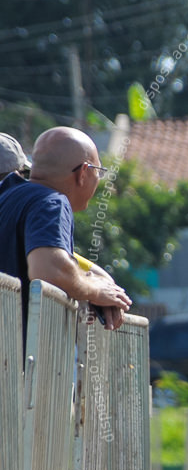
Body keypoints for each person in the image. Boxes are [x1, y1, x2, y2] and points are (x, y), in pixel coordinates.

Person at [0, 127, 131, 329]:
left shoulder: (8, 198)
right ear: (83, 173)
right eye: (99, 172)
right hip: (15, 356)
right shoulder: (51, 201)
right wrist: (95, 292)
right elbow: (48, 269)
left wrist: (101, 282)